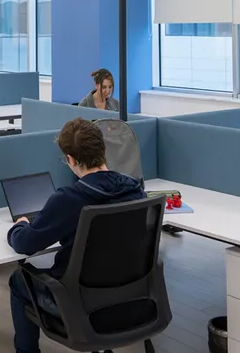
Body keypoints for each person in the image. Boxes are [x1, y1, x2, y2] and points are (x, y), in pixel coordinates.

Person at [7, 118, 145, 353]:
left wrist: (18, 227)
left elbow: (25, 244)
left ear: (70, 159)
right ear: (103, 149)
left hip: (80, 306)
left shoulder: (70, 199)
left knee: (19, 279)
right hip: (131, 299)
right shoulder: (135, 190)